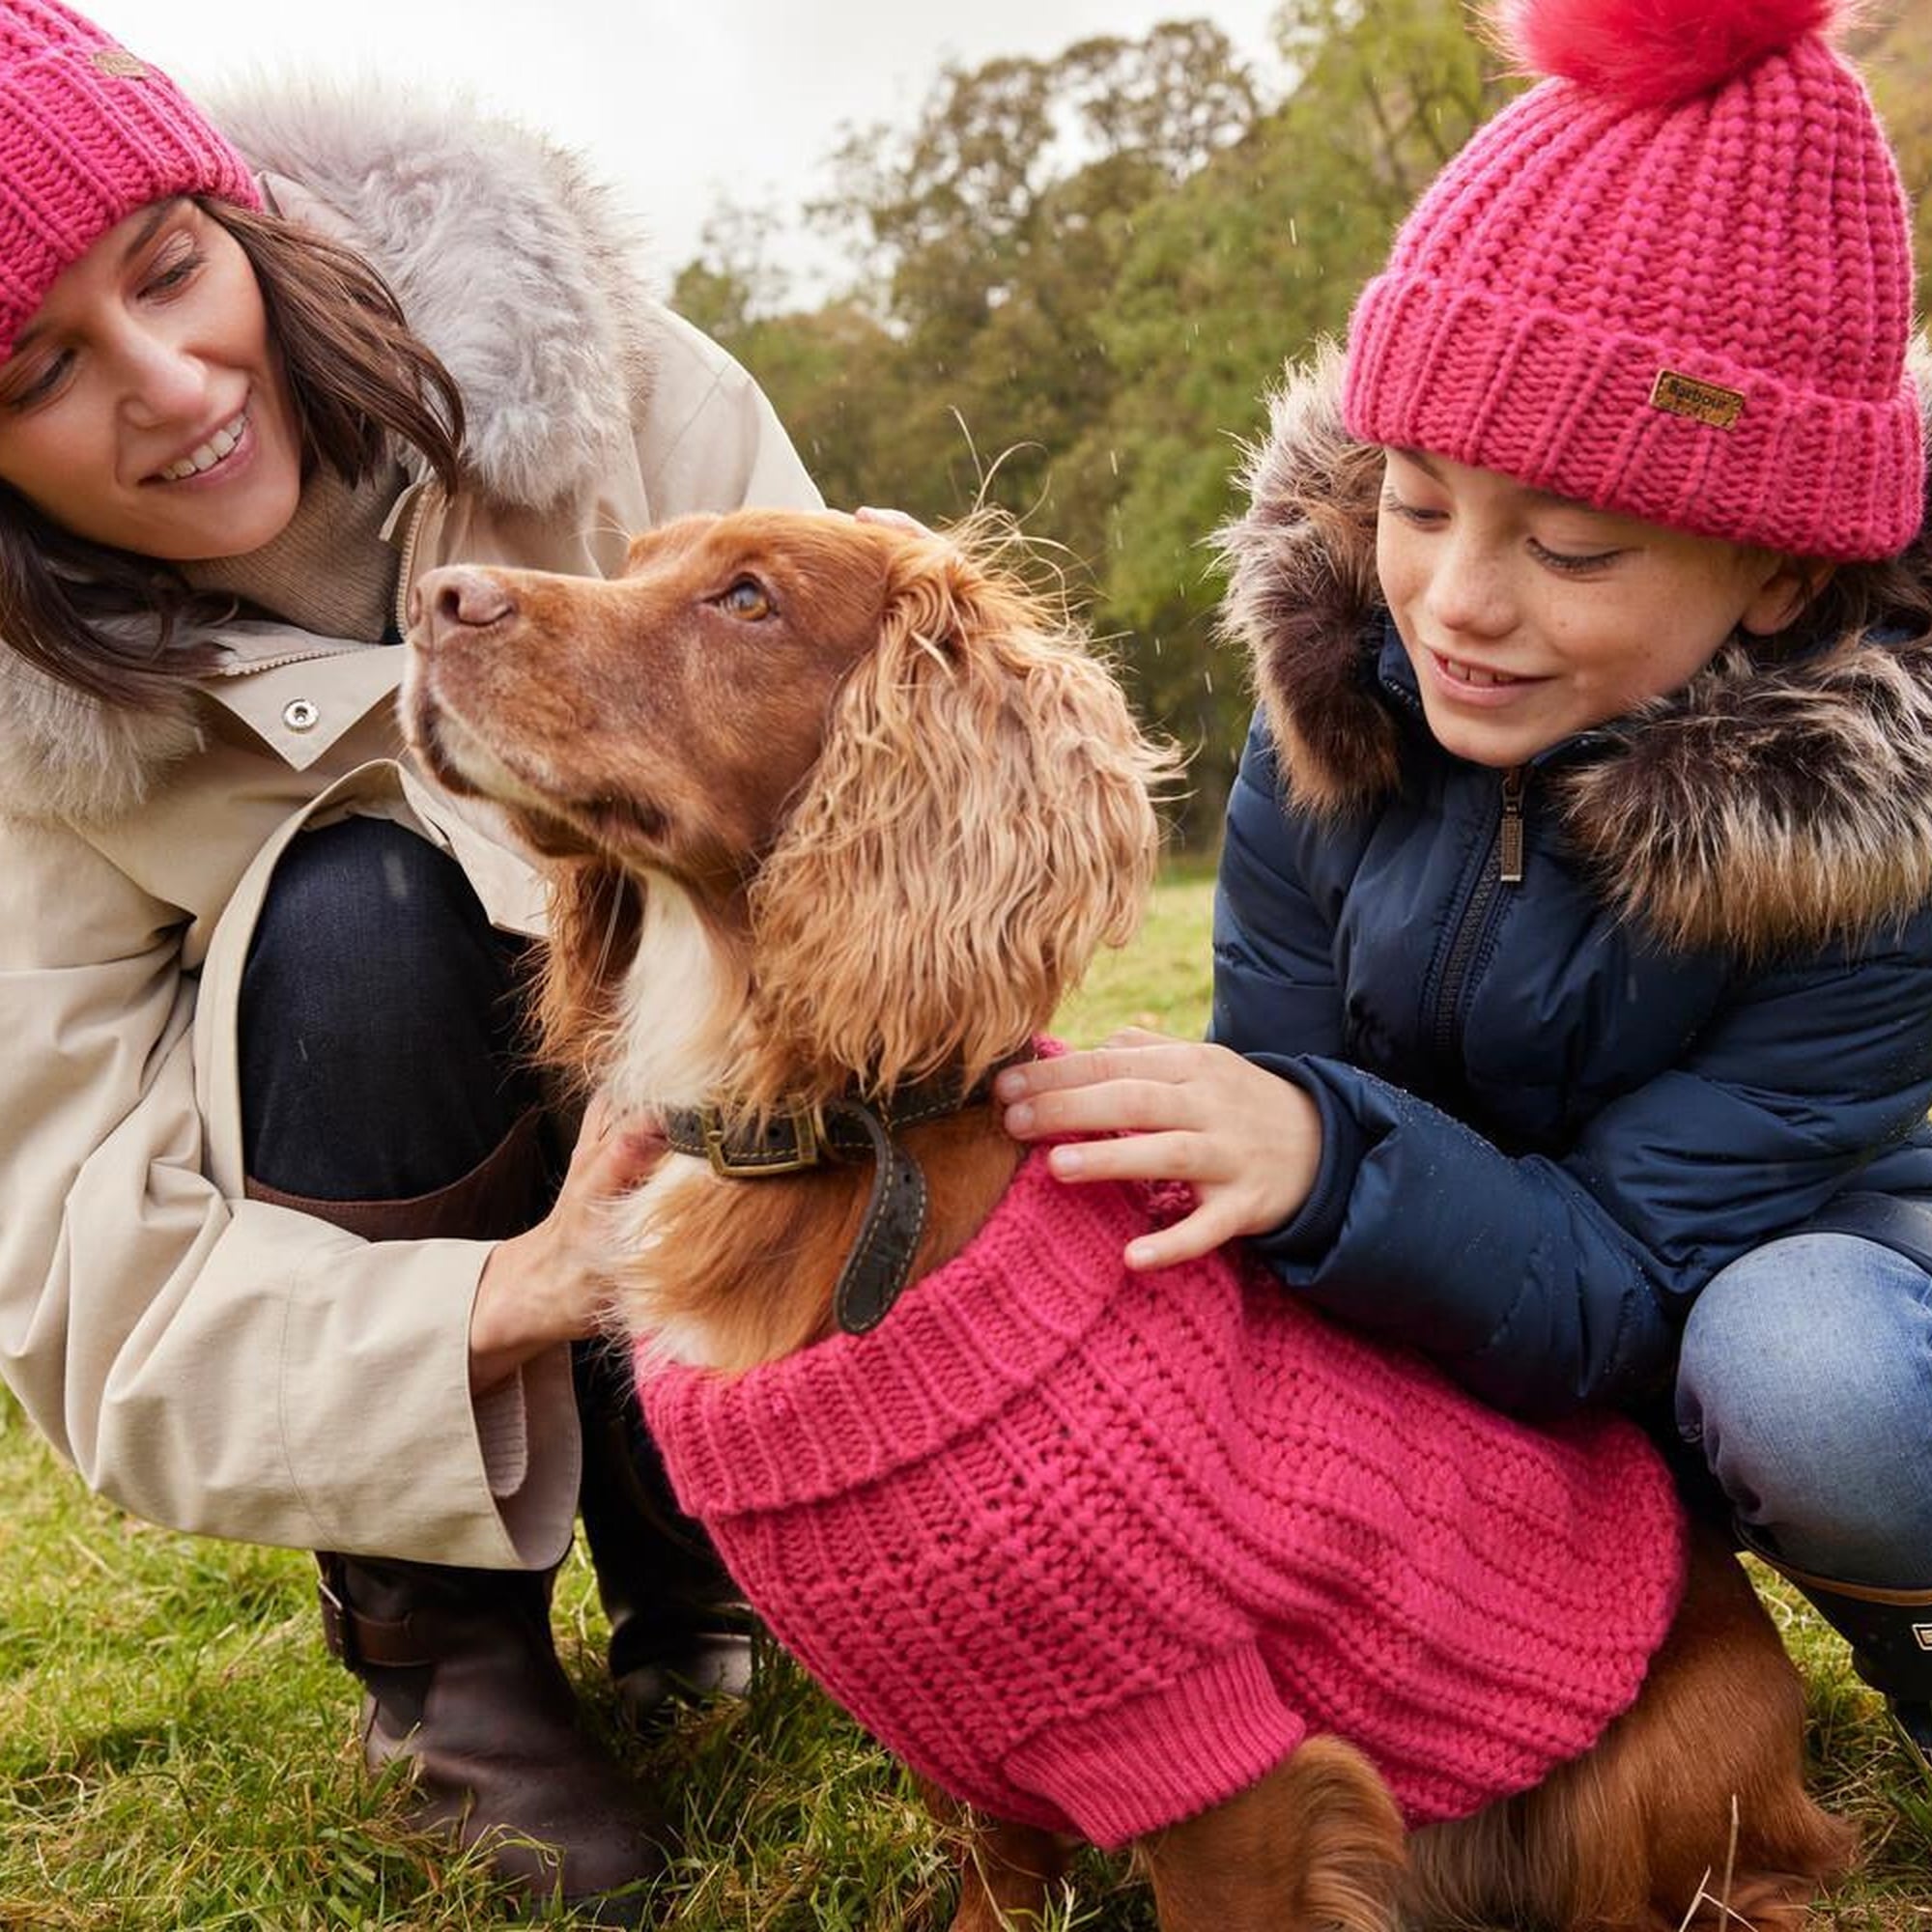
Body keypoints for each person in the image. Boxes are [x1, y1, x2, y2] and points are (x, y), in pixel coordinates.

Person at [998, 0, 1932, 1776]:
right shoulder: (1336, 711)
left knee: (1806, 1379)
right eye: (1417, 505)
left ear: (1785, 583)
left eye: (1572, 548)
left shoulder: (1878, 847)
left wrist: (1321, 1156)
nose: (1457, 604)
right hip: (1462, 1315)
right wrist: (1255, 1148)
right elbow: (1277, 1082)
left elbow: (1630, 1273)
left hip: (1731, 1294)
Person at [0, 0, 820, 1914]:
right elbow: (86, 1292)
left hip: (728, 1172)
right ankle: (450, 1663)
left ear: (246, 222)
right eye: (40, 367)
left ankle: (707, 1544)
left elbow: (872, 764)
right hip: (416, 1199)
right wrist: (516, 1293)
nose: (170, 383)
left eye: (171, 269)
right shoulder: (27, 749)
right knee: (355, 915)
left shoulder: (616, 393)